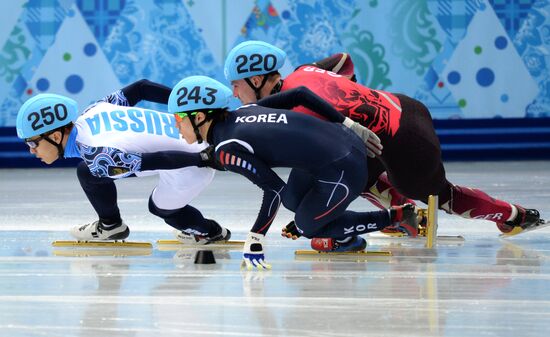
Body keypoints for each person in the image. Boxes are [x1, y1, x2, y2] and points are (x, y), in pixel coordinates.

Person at [223, 40, 542, 236]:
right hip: (403, 106)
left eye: (237, 84)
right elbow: (343, 60)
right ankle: (404, 216)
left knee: (441, 196)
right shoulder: (305, 71)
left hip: (408, 141)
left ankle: (514, 215)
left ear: (256, 78)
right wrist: (354, 98)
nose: (234, 92)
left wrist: (319, 218)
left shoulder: (298, 112)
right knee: (352, 167)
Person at [166, 75, 418, 269]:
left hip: (344, 165)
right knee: (292, 201)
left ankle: (397, 217)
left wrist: (256, 237)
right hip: (338, 144)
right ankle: (326, 222)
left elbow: (273, 188)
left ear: (199, 117)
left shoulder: (227, 148)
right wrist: (348, 124)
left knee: (308, 226)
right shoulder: (242, 112)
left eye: (178, 119)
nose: (176, 126)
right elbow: (299, 94)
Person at [16, 80, 230, 243]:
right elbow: (142, 87)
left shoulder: (97, 155)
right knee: (87, 172)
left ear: (55, 137)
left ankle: (210, 231)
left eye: (32, 143)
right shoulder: (94, 109)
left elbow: (159, 159)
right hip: (193, 140)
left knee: (160, 208)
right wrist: (185, 107)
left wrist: (203, 159)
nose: (31, 151)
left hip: (191, 164)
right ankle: (111, 225)